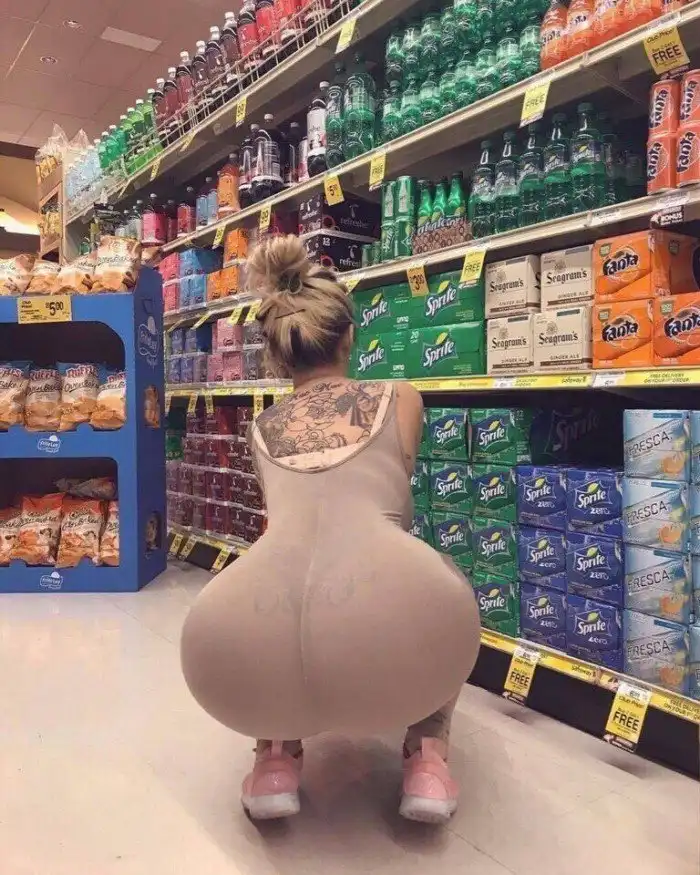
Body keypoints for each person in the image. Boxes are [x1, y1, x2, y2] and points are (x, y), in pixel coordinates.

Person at [180, 235, 481, 824]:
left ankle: (274, 762)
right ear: (349, 337)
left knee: (282, 584)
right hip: (375, 614)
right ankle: (427, 761)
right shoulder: (401, 398)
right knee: (441, 580)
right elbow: (391, 495)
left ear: (276, 357)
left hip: (252, 622)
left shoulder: (262, 426)